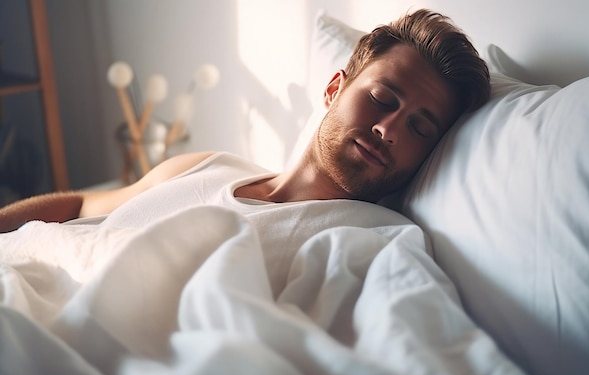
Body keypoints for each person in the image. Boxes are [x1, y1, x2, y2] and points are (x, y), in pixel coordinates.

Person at [0, 9, 489, 235]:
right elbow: (83, 203)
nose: (390, 129)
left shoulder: (377, 241)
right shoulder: (203, 167)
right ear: (333, 88)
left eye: (421, 129)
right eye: (382, 97)